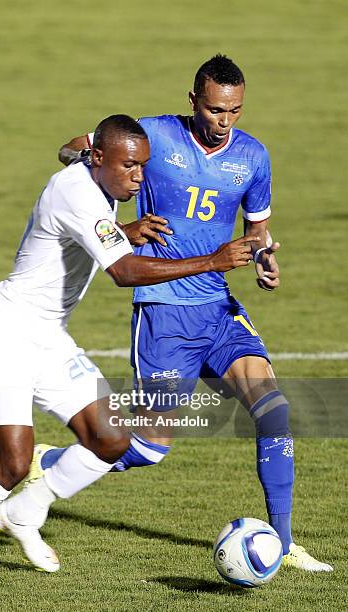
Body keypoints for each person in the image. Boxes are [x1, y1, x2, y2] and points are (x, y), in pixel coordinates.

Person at [0, 114, 258, 583]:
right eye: (129, 167)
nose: (138, 178)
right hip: (7, 332)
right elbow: (125, 273)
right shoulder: (76, 192)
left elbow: (72, 156)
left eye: (143, 167)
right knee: (12, 461)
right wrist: (214, 261)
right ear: (99, 159)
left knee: (112, 438)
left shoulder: (94, 177)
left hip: (49, 337)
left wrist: (119, 230)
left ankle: (25, 512)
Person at [33, 55, 332, 572]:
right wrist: (107, 204)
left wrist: (263, 257)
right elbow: (72, 150)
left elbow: (257, 228)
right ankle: (46, 464)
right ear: (193, 100)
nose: (224, 122)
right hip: (166, 314)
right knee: (150, 445)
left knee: (274, 411)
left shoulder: (253, 155)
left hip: (218, 306)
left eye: (234, 111)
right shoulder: (151, 134)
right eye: (215, 110)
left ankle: (282, 545)